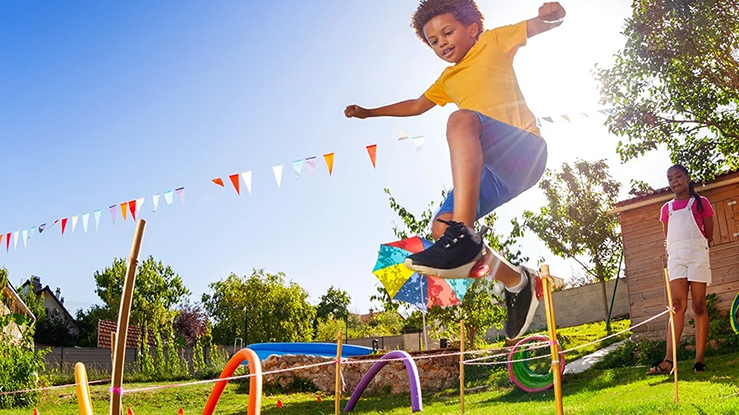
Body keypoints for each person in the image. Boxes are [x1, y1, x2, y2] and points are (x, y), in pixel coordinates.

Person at [344, 0, 565, 339]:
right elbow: (417, 105)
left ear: (472, 27)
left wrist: (551, 15)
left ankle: (464, 234)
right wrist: (369, 113)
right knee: (440, 229)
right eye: (434, 41)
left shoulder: (494, 41)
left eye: (448, 32)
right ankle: (519, 282)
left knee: (461, 120)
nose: (442, 43)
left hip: (525, 151)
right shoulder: (447, 78)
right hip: (494, 172)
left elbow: (538, 26)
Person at [648, 164, 714, 375]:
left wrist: (699, 249)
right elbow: (668, 238)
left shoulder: (701, 203)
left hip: (697, 256)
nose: (674, 181)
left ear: (687, 178)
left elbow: (708, 233)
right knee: (677, 305)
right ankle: (669, 360)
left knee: (699, 305)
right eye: (670, 178)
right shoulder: (666, 209)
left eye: (678, 176)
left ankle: (699, 360)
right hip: (676, 258)